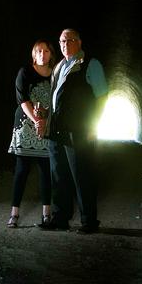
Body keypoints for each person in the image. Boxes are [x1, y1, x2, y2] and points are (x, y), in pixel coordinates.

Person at [39, 28, 108, 234]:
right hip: (57, 129)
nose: (64, 44)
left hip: (78, 129)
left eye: (69, 40)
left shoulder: (90, 64)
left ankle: (89, 221)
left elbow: (102, 96)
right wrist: (45, 113)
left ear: (79, 42)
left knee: (82, 174)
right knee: (58, 174)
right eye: (61, 41)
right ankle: (60, 218)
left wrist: (94, 126)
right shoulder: (59, 66)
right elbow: (57, 100)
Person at [7, 39, 57, 228]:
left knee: (46, 171)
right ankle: (14, 213)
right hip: (25, 125)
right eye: (38, 51)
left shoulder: (56, 74)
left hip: (47, 125)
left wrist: (45, 118)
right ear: (33, 55)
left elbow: (57, 100)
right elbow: (22, 98)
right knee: (21, 170)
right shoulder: (25, 72)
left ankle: (46, 214)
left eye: (45, 51)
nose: (42, 54)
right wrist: (36, 120)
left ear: (51, 54)